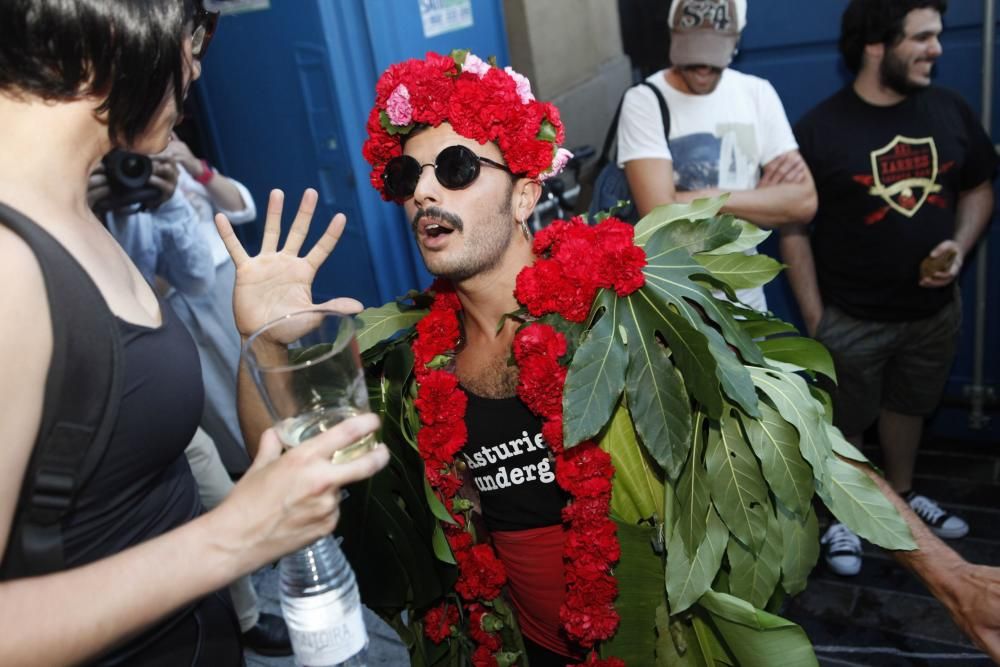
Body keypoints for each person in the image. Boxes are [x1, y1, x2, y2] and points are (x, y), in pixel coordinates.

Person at [219, 51, 1000, 664]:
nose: (424, 194)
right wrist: (269, 343)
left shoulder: (630, 312)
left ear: (525, 194)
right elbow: (291, 468)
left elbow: (800, 432)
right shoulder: (412, 359)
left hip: (660, 641)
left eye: (455, 169)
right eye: (404, 177)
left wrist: (952, 578)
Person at [0, 1, 388, 665]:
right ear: (119, 22)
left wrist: (263, 340)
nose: (195, 65)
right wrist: (234, 535)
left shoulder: (72, 211)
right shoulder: (8, 261)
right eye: (193, 33)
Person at [780, 0, 997, 577]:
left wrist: (959, 244)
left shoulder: (951, 110)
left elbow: (978, 188)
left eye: (938, 36)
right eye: (923, 37)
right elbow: (793, 227)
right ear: (877, 44)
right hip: (851, 317)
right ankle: (847, 519)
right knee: (848, 421)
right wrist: (815, 317)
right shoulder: (821, 129)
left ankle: (903, 499)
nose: (937, 49)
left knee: (909, 407)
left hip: (932, 313)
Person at [89, 155, 291, 656]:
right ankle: (239, 611)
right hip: (107, 379)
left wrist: (176, 190)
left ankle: (246, 603)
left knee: (220, 478)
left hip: (184, 327)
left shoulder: (166, 170)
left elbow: (197, 266)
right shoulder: (62, 216)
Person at [618, 0, 817, 312]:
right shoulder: (644, 101)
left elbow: (803, 203)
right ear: (673, 35)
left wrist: (699, 198)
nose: (703, 67)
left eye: (713, 55)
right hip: (675, 309)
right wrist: (758, 200)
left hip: (750, 307)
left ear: (737, 40)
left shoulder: (757, 94)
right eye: (693, 52)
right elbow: (659, 215)